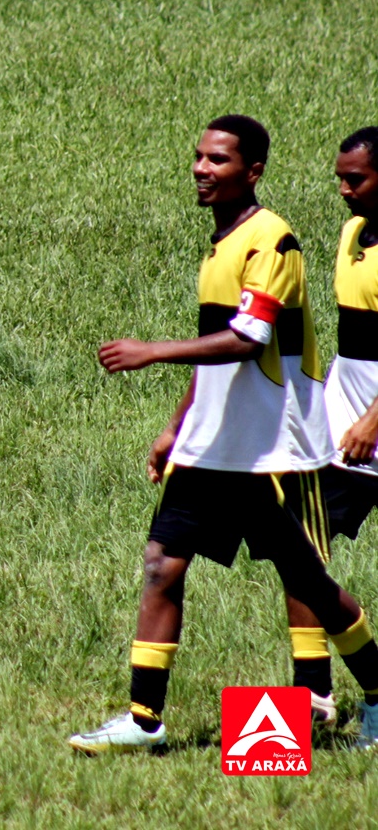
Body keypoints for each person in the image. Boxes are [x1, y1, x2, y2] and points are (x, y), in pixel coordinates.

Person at [69, 115, 378, 754]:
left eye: (218, 160)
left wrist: (151, 351)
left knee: (310, 583)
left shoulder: (274, 241)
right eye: (199, 158)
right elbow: (217, 350)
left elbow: (248, 339)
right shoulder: (222, 242)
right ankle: (143, 720)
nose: (201, 170)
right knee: (161, 565)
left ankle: (373, 691)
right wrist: (175, 427)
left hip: (274, 452)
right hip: (212, 448)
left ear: (253, 170)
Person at [279, 127, 378, 721]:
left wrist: (375, 416)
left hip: (371, 421)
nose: (342, 189)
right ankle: (313, 692)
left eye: (355, 179)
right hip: (345, 424)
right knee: (301, 550)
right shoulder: (351, 233)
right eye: (339, 177)